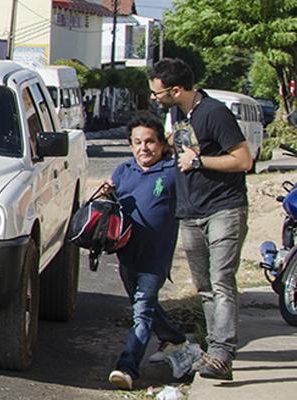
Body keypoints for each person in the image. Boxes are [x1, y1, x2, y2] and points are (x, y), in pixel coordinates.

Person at [147, 58, 252, 381]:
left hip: (224, 208)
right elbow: (175, 151)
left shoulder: (214, 113)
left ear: (177, 90)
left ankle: (222, 353)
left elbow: (244, 159)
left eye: (158, 93)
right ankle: (214, 348)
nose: (154, 98)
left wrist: (200, 160)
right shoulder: (177, 114)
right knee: (205, 286)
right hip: (190, 211)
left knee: (221, 280)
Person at [105, 112, 187, 390]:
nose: (144, 148)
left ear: (162, 144)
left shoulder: (172, 172)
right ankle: (174, 337)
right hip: (127, 255)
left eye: (150, 142)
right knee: (144, 307)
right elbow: (110, 203)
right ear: (130, 145)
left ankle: (127, 368)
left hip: (156, 259)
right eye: (138, 142)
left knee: (141, 312)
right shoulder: (123, 171)